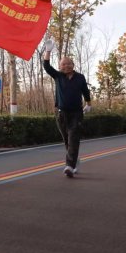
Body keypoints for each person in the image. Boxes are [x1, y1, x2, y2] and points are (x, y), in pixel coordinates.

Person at [42, 39, 91, 178]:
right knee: (67, 140)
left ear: (73, 65)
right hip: (61, 113)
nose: (66, 66)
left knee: (73, 137)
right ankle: (74, 160)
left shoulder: (80, 77)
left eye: (69, 63)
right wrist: (48, 51)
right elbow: (46, 66)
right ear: (60, 66)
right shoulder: (58, 76)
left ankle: (69, 165)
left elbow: (85, 91)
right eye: (63, 64)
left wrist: (88, 103)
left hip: (76, 113)